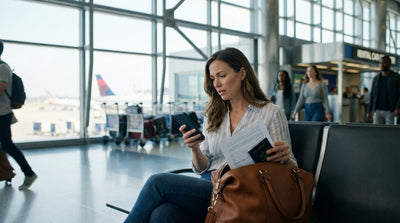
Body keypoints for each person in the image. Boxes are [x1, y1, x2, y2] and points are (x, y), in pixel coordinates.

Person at [124, 48, 297, 223]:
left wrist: (284, 158)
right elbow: (203, 167)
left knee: (157, 183)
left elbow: (291, 168)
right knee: (163, 213)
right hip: (211, 186)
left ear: (242, 73)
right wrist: (194, 149)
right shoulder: (214, 114)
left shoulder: (270, 113)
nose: (216, 84)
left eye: (222, 76)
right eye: (213, 78)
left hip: (244, 189)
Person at [0, 41, 37, 190]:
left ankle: (28, 173)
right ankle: (10, 173)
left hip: (2, 114)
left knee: (7, 145)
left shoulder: (2, 68)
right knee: (6, 145)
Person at [367, 56, 400, 125]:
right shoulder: (376, 79)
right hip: (377, 110)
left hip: (390, 111)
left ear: (389, 64)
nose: (382, 65)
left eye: (384, 63)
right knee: (377, 132)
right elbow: (372, 96)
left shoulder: (396, 77)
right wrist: (369, 111)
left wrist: (398, 107)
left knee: (389, 133)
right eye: (380, 63)